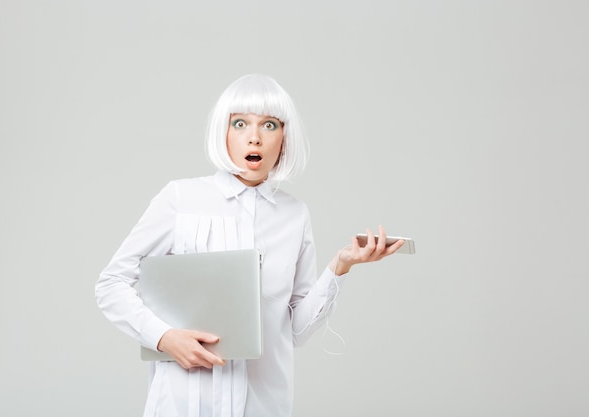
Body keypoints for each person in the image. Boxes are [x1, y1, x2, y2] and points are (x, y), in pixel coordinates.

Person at [95, 74, 404, 417]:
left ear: (284, 138)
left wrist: (341, 266)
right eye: (240, 123)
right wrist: (163, 337)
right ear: (223, 132)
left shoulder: (294, 215)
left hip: (264, 405)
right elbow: (110, 285)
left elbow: (295, 331)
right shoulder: (180, 198)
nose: (254, 137)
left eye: (269, 125)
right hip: (185, 404)